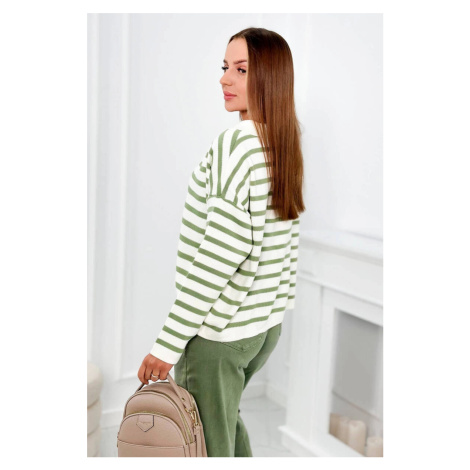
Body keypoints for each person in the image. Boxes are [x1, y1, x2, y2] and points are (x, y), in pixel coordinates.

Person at [137, 27, 306, 457]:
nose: (224, 79)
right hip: (262, 328)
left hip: (221, 335)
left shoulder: (238, 142)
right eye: (225, 67)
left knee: (208, 449)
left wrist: (168, 343)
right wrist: (274, 312)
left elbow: (221, 252)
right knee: (225, 427)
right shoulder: (282, 143)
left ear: (270, 77)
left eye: (241, 70)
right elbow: (284, 241)